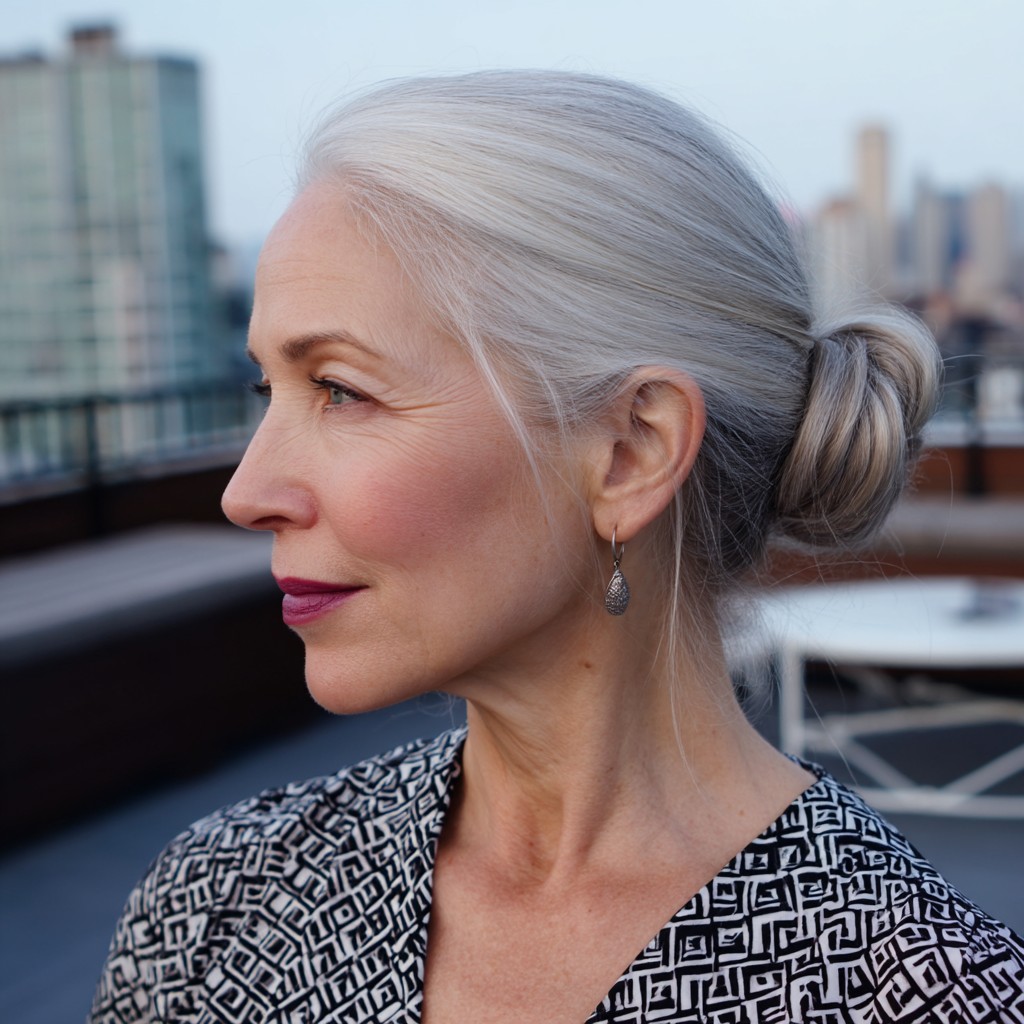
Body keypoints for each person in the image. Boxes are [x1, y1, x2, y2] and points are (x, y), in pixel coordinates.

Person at [89, 71, 1024, 1023]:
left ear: (629, 453)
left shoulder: (929, 995)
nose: (246, 494)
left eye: (340, 389)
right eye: (266, 391)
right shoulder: (213, 906)